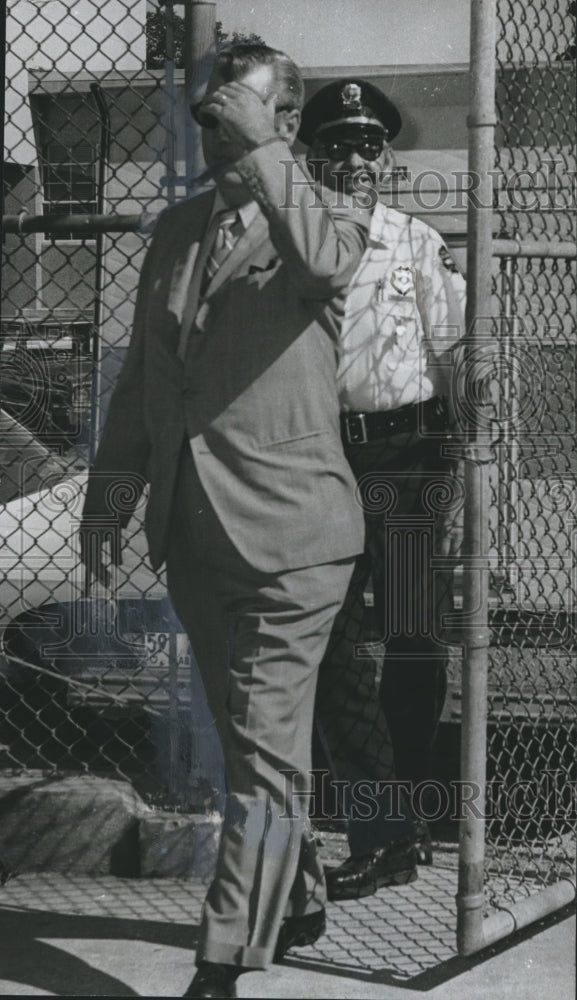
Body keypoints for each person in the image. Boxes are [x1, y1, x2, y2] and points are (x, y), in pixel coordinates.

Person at [80, 46, 371, 999]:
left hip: (292, 537)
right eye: (206, 113)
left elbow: (324, 269)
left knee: (258, 749)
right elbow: (143, 377)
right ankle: (299, 893)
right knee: (262, 747)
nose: (212, 128)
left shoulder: (326, 214)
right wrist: (112, 487)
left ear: (281, 120)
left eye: (233, 112)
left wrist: (264, 151)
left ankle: (222, 960)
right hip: (195, 528)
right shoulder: (174, 231)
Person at [299, 78, 467, 902]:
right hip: (321, 460)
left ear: (387, 156)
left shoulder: (414, 241)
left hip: (406, 456)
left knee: (410, 634)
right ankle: (381, 825)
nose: (355, 158)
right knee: (326, 639)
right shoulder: (287, 243)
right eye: (337, 144)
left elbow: (453, 353)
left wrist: (470, 462)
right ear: (307, 154)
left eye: (368, 144)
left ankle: (411, 821)